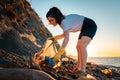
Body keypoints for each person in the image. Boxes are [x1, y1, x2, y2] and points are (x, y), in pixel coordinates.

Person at [46, 6, 97, 73]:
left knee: (82, 46)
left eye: (52, 20)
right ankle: (79, 67)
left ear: (56, 17)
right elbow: (64, 35)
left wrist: (59, 53)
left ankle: (83, 70)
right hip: (84, 28)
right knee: (78, 47)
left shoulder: (64, 22)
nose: (51, 23)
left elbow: (67, 38)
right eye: (49, 21)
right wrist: (55, 38)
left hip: (90, 25)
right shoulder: (62, 23)